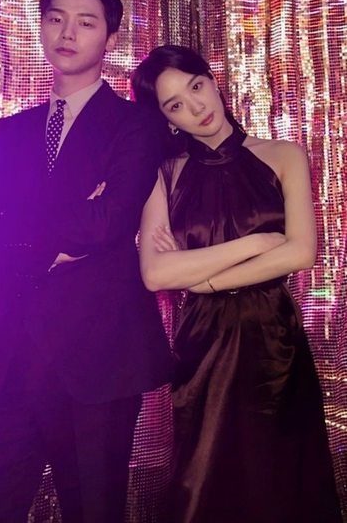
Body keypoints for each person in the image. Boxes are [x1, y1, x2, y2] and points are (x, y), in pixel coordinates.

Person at [0, 0, 172, 523]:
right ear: (41, 28)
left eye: (86, 23)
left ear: (110, 38)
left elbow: (108, 225)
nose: (68, 33)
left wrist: (16, 217)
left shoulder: (136, 126)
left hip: (98, 362)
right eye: (56, 19)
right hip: (7, 363)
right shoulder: (10, 132)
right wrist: (57, 235)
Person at [132, 45, 341, 523]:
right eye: (175, 105)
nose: (196, 107)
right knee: (204, 482)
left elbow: (301, 253)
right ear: (167, 120)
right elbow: (155, 274)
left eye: (196, 87)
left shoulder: (283, 155)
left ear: (213, 80)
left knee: (280, 481)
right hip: (202, 346)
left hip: (273, 341)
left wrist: (200, 278)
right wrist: (257, 243)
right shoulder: (165, 175)